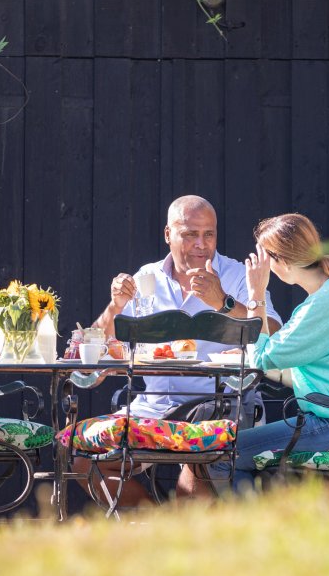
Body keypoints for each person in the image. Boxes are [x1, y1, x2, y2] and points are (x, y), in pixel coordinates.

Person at [80, 195, 282, 502]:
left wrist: (223, 303)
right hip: (154, 406)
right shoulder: (146, 278)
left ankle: (179, 535)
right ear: (168, 234)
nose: (201, 244)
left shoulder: (237, 275)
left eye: (209, 234)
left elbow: (275, 332)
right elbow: (98, 347)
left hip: (219, 405)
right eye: (190, 234)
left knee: (196, 468)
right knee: (82, 458)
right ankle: (156, 529)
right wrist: (115, 305)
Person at [215, 212, 329, 492]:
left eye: (265, 259)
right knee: (236, 451)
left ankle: (250, 533)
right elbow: (286, 361)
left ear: (281, 262)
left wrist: (256, 293)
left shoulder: (325, 304)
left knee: (224, 455)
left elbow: (262, 356)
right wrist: (252, 357)